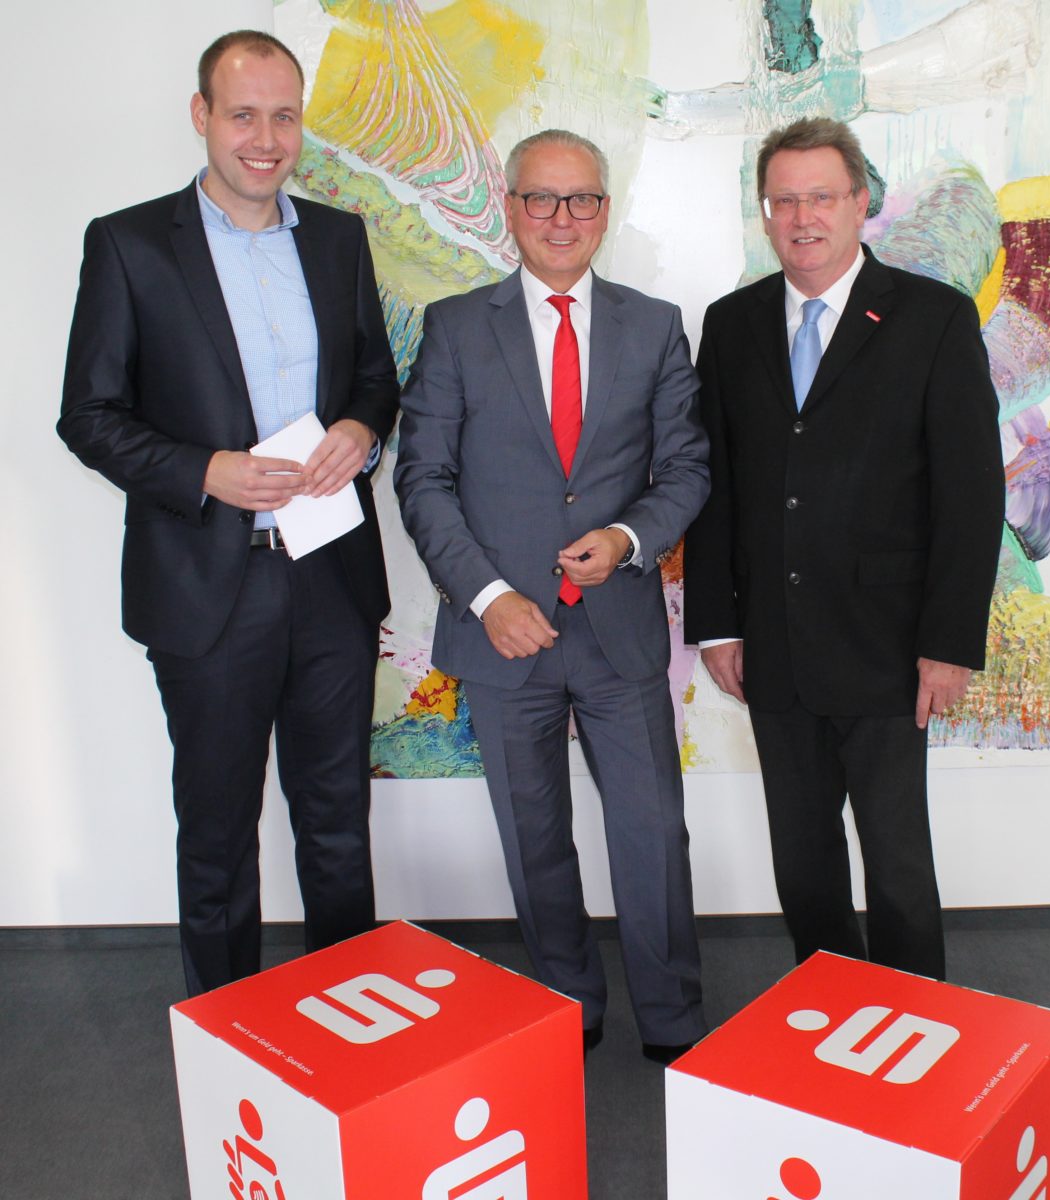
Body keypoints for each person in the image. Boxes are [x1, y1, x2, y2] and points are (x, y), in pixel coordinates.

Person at [58, 30, 399, 996]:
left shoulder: (338, 238)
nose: (266, 138)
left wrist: (360, 429)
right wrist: (203, 470)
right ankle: (225, 1040)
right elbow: (87, 415)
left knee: (338, 826)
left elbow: (376, 377)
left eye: (284, 116)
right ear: (201, 115)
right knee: (216, 835)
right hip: (208, 587)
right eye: (243, 114)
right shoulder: (129, 245)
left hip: (330, 576)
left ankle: (352, 1031)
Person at [395, 130, 709, 1061]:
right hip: (504, 635)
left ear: (605, 212)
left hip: (617, 630)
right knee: (534, 837)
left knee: (653, 835)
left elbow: (686, 469)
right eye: (541, 198)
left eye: (581, 200)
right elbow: (423, 479)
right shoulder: (456, 327)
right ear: (510, 208)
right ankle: (569, 1005)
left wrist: (628, 540)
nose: (561, 218)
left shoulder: (655, 325)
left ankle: (673, 1020)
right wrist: (489, 596)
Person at [684, 118, 1004, 980]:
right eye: (783, 200)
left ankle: (916, 1019)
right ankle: (826, 1012)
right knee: (803, 859)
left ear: (861, 203)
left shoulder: (934, 318)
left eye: (821, 196)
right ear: (765, 212)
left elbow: (972, 495)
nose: (803, 217)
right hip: (772, 645)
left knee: (897, 863)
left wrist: (949, 642)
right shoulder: (731, 324)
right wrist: (718, 624)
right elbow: (714, 484)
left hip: (890, 647)